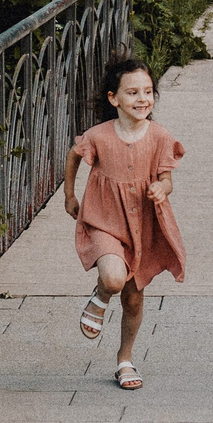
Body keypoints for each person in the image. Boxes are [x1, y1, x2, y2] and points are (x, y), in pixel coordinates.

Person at [62, 55, 186, 389]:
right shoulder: (100, 135)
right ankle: (101, 297)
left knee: (133, 298)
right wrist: (69, 195)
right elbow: (74, 155)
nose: (142, 99)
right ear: (113, 98)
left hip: (143, 227)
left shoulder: (159, 136)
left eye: (148, 91)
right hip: (104, 220)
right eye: (132, 93)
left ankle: (125, 360)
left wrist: (162, 187)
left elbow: (167, 179)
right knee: (114, 279)